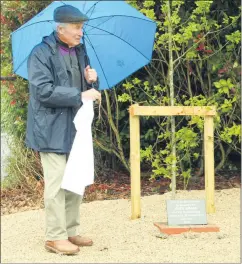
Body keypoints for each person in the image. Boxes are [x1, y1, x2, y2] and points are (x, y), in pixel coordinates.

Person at [25, 5, 101, 255]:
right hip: (49, 128)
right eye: (77, 27)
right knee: (56, 184)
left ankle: (70, 231)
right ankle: (54, 237)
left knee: (75, 179)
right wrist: (80, 92)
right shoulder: (40, 54)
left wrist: (92, 79)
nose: (81, 32)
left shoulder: (80, 51)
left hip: (75, 127)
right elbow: (43, 91)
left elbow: (84, 88)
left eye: (81, 27)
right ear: (61, 29)